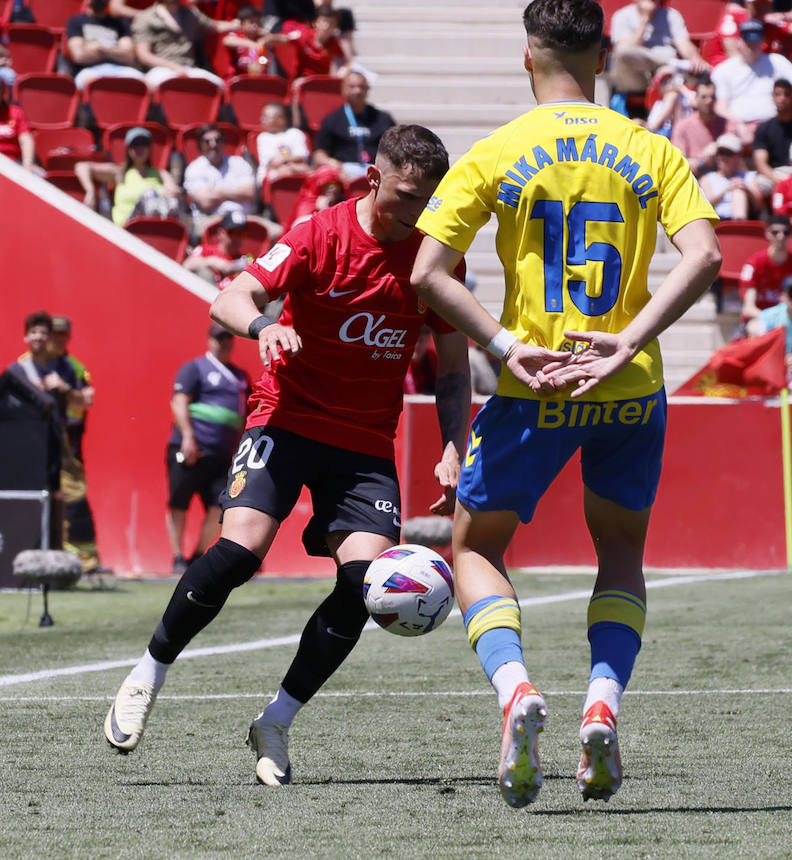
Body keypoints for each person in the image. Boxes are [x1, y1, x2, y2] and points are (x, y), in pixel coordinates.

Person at [410, 0, 722, 807]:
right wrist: (631, 335)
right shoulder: (648, 149)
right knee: (621, 552)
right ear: (601, 59)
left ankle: (516, 690)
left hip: (532, 384)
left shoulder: (497, 151)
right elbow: (706, 255)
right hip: (627, 385)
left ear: (527, 56)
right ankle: (602, 704)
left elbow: (427, 275)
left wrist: (507, 346)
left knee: (474, 550)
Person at [103, 125, 473, 793]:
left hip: (363, 442)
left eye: (427, 200)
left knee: (365, 585)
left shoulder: (436, 260)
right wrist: (264, 325)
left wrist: (454, 444)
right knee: (240, 550)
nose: (417, 212)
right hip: (287, 418)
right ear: (373, 179)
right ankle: (149, 671)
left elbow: (451, 369)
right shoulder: (317, 235)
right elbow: (230, 296)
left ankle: (276, 720)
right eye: (406, 197)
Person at [166, 322, 250, 574]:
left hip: (222, 454)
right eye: (218, 338)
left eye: (227, 338)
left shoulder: (239, 376)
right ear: (209, 340)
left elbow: (246, 412)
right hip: (192, 448)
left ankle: (198, 553)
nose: (223, 342)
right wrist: (188, 437)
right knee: (179, 502)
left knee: (219, 505)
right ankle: (177, 556)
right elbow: (179, 402)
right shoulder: (195, 368)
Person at [48, 316, 100, 571]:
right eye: (53, 333)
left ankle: (85, 562)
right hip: (39, 443)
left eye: (62, 334)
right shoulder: (31, 364)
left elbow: (85, 401)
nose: (57, 338)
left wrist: (64, 392)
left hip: (70, 444)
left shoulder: (74, 367)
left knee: (76, 499)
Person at [132, 0, 236, 90]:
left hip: (189, 68)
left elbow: (214, 26)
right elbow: (144, 55)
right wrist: (173, 66)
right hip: (160, 69)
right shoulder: (145, 17)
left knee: (221, 88)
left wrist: (237, 25)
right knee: (152, 88)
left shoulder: (190, 13)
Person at [712, 21, 792, 144]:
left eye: (756, 37)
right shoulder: (723, 70)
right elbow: (721, 107)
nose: (751, 42)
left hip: (774, 127)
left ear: (762, 41)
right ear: (738, 41)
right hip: (737, 130)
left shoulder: (777, 62)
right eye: (747, 37)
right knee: (727, 143)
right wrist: (739, 126)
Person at [607, 0, 703, 98]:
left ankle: (658, 115)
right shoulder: (622, 16)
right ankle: (670, 61)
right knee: (622, 51)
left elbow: (683, 43)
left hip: (662, 73)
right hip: (634, 75)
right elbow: (626, 51)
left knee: (669, 73)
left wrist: (695, 58)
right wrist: (645, 19)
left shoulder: (671, 15)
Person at [75, 125, 182, 226]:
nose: (140, 148)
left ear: (149, 148)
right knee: (148, 193)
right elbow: (82, 167)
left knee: (170, 202)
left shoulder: (160, 173)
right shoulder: (120, 172)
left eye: (143, 144)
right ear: (128, 149)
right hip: (128, 228)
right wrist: (90, 191)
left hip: (156, 224)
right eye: (135, 144)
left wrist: (169, 193)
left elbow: (173, 192)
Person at [66, 0, 147, 91]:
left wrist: (99, 48)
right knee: (90, 83)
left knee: (143, 83)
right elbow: (79, 56)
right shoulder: (76, 22)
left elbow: (128, 56)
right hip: (89, 71)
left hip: (119, 69)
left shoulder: (120, 23)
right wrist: (115, 51)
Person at [313, 70, 396, 180]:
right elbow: (319, 154)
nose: (357, 91)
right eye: (352, 87)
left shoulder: (383, 119)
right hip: (343, 171)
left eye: (361, 87)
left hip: (376, 170)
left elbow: (396, 149)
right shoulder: (332, 119)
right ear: (343, 89)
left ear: (367, 89)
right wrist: (332, 164)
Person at [184, 123, 258, 236]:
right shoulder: (194, 168)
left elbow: (250, 193)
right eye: (207, 141)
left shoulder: (239, 162)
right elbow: (206, 202)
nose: (213, 144)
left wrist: (218, 192)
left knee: (276, 232)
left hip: (246, 217)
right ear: (200, 145)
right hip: (213, 220)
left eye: (218, 140)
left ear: (223, 143)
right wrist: (236, 192)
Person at [749, 77, 792, 193]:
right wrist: (781, 182)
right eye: (778, 95)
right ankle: (763, 212)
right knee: (757, 185)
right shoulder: (764, 128)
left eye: (786, 95)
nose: (782, 99)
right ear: (773, 97)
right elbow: (760, 163)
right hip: (776, 173)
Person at [740, 214, 792, 322]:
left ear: (791, 234)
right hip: (759, 319)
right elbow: (749, 308)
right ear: (767, 234)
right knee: (755, 329)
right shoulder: (754, 264)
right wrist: (771, 320)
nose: (781, 236)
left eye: (786, 232)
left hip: (788, 320)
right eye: (775, 232)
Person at [183, 209, 255, 287]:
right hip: (205, 294)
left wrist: (235, 267)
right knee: (205, 273)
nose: (237, 238)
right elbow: (186, 266)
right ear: (221, 233)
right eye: (233, 233)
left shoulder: (246, 258)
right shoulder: (205, 250)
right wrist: (210, 261)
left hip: (230, 297)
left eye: (242, 234)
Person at [698, 132, 756, 221]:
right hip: (716, 222)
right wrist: (726, 190)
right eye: (721, 153)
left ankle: (738, 225)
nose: (724, 157)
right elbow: (705, 205)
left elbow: (759, 205)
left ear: (739, 155)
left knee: (738, 191)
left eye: (729, 153)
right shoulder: (707, 178)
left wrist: (746, 189)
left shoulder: (749, 176)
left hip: (742, 220)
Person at [254, 101, 312, 186]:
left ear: (281, 119)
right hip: (271, 175)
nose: (262, 120)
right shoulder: (263, 137)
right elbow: (273, 162)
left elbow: (302, 156)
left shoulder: (296, 133)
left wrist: (289, 165)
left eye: (265, 117)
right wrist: (292, 164)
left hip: (296, 170)